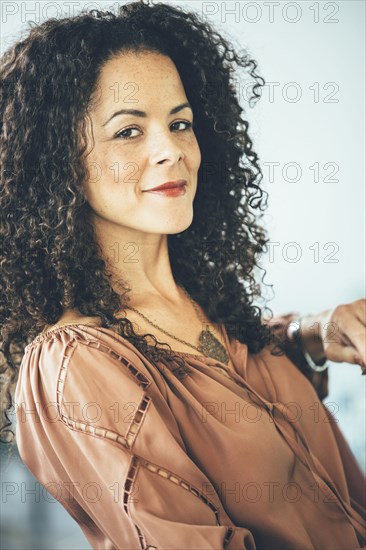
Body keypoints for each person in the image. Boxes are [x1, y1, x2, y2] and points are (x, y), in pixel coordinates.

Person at [1, 1, 365, 548]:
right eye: (128, 131)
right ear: (56, 162)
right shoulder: (76, 363)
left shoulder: (214, 308)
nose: (171, 149)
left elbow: (234, 395)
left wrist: (311, 334)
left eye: (180, 122)